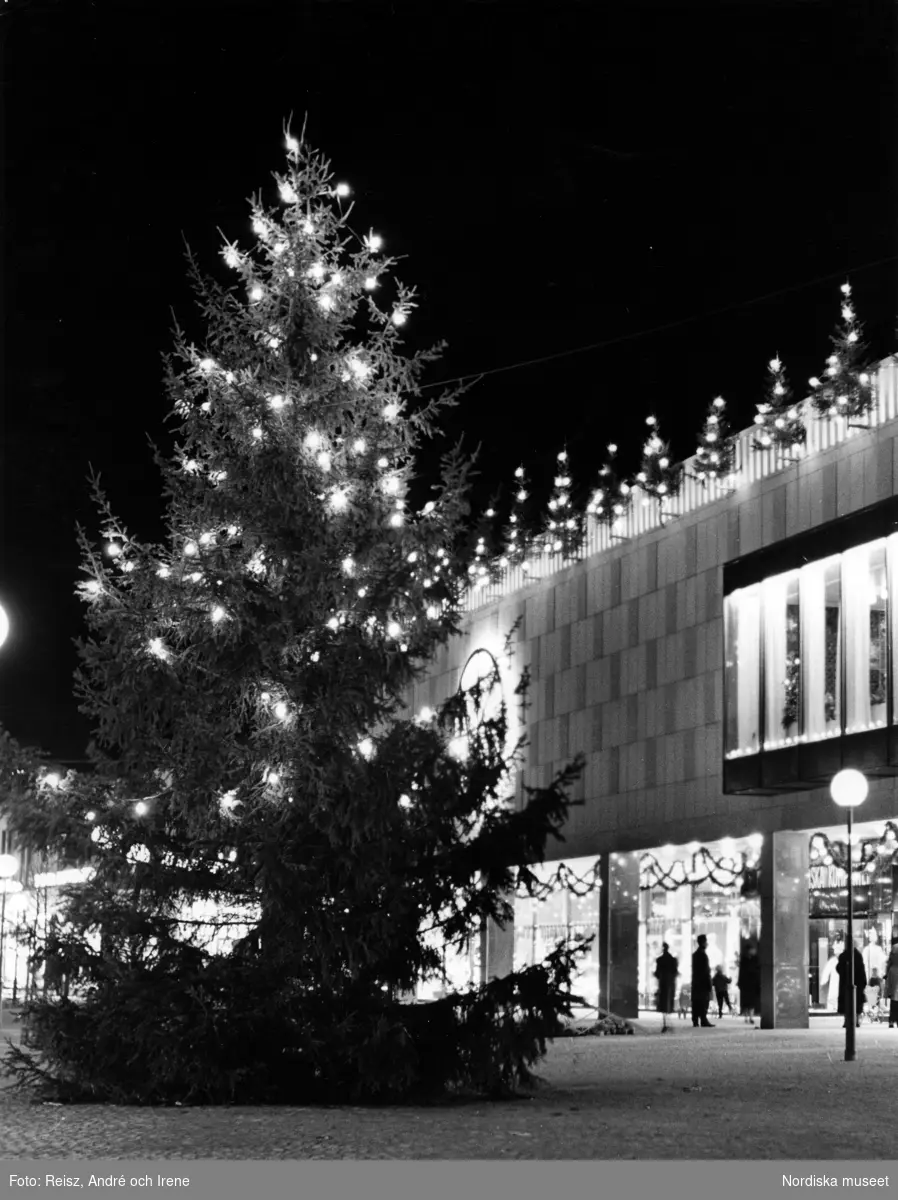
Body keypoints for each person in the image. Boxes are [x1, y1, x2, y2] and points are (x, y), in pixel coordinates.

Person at [836, 936, 867, 1028]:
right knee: (856, 1002)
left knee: (846, 1002)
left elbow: (838, 968)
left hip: (845, 983)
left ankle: (847, 1020)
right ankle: (856, 1021)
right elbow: (862, 970)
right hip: (857, 983)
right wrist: (863, 982)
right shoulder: (858, 955)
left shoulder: (843, 955)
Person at [691, 933, 714, 1027]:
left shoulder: (695, 954)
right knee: (703, 1001)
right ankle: (703, 1019)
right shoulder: (702, 955)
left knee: (696, 1001)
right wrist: (709, 983)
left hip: (696, 982)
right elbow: (705, 971)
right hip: (703, 982)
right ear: (703, 942)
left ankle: (696, 1020)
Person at [654, 942, 679, 1021]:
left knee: (663, 1002)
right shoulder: (673, 959)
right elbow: (675, 972)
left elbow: (657, 973)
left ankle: (665, 1019)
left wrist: (658, 976)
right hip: (670, 982)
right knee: (669, 1001)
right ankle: (668, 1018)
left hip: (663, 982)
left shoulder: (659, 960)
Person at [738, 941, 761, 1024]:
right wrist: (740, 982)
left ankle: (750, 1017)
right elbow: (741, 972)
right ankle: (747, 1017)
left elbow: (758, 971)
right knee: (747, 1002)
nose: (754, 951)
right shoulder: (744, 960)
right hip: (746, 983)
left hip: (752, 983)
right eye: (752, 949)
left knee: (751, 1002)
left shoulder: (755, 959)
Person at [884, 936, 898, 1028]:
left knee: (894, 998)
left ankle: (892, 1020)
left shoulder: (894, 948)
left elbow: (889, 962)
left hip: (893, 973)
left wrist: (886, 974)